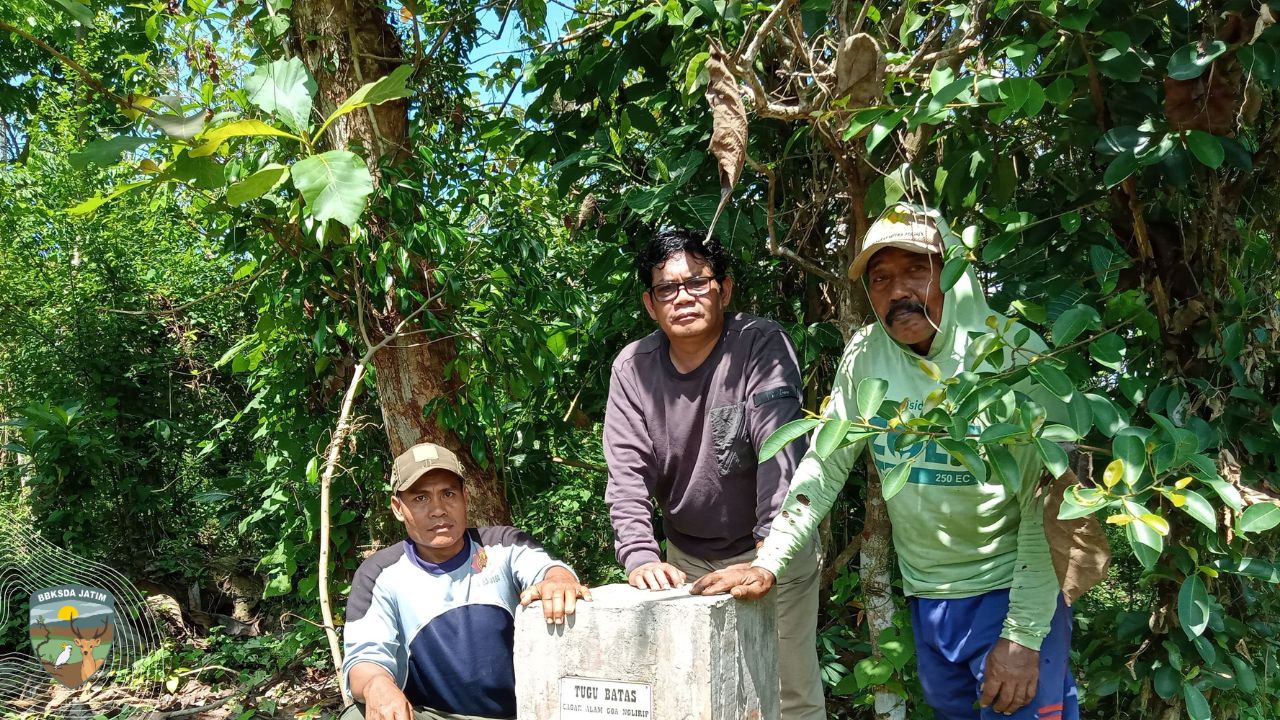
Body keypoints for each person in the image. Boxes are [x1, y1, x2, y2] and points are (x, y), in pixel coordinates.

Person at [694, 204, 1081, 720]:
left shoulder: (1012, 357)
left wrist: (1025, 635)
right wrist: (769, 562)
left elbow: (1050, 509)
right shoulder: (866, 356)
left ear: (955, 273)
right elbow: (825, 465)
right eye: (881, 279)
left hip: (1012, 592)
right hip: (928, 596)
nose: (897, 292)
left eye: (917, 270)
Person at [603, 228, 826, 720]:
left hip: (771, 550)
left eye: (697, 282)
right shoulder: (632, 369)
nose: (683, 297)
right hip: (689, 559)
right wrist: (640, 554)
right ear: (650, 303)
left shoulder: (759, 344)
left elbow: (781, 452)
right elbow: (626, 472)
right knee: (698, 696)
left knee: (787, 694)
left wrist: (769, 556)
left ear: (723, 290)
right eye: (667, 288)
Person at [342, 442, 592, 720]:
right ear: (398, 508)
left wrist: (558, 578)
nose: (438, 509)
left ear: (465, 497)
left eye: (448, 494)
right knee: (357, 715)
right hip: (435, 715)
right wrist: (377, 684)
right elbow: (364, 658)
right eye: (420, 498)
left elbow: (546, 569)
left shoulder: (502, 545)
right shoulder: (380, 573)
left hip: (521, 712)